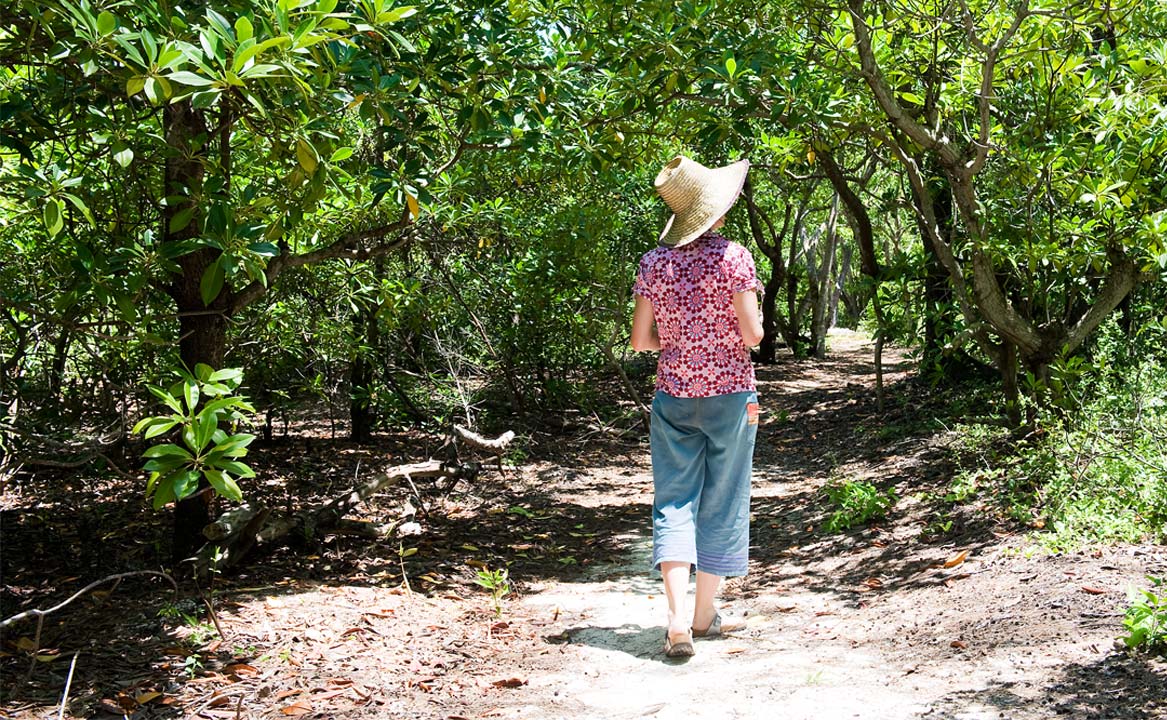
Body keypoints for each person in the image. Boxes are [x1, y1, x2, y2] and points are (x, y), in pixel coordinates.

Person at [631, 155, 763, 658]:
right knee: (723, 498)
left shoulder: (653, 262)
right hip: (730, 395)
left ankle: (676, 618)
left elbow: (641, 341)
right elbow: (751, 334)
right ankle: (705, 613)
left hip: (673, 396)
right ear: (716, 212)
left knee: (673, 500)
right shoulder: (735, 258)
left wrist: (680, 336)